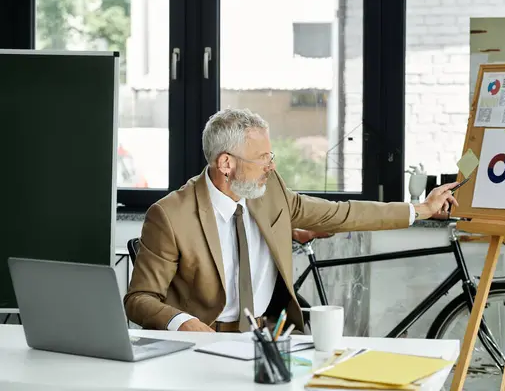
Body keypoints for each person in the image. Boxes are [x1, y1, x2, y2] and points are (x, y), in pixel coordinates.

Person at [124, 108, 458, 333]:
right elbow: (139, 300)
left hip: (269, 332)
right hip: (204, 341)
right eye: (262, 158)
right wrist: (184, 323)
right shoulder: (170, 215)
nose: (271, 165)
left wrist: (420, 209)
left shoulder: (269, 192)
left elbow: (341, 213)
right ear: (226, 163)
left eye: (271, 156)